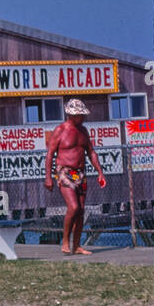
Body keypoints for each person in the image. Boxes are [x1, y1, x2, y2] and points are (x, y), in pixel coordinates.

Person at [44, 98, 107, 255]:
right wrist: (48, 177)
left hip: (81, 173)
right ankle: (65, 241)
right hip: (64, 172)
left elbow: (91, 152)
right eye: (80, 115)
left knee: (81, 211)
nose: (83, 118)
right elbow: (50, 154)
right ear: (72, 115)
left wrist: (100, 172)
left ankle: (77, 246)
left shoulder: (83, 131)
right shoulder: (60, 130)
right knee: (73, 207)